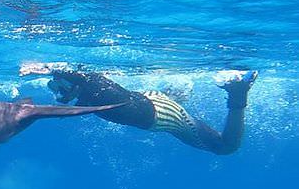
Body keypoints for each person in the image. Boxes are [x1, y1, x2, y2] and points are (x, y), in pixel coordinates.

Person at [19, 63, 258, 155]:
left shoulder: (97, 89)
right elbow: (227, 146)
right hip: (146, 108)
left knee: (226, 147)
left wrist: (54, 71)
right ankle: (230, 90)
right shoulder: (180, 116)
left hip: (149, 112)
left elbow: (92, 79)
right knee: (226, 147)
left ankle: (238, 95)